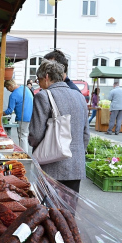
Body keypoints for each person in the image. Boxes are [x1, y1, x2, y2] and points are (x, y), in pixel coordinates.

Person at [29, 59, 90, 193]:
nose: (38, 83)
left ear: (46, 77)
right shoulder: (79, 96)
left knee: (50, 208)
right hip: (76, 164)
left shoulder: (43, 96)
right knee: (69, 209)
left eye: (38, 79)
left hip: (51, 163)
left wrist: (33, 145)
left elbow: (36, 134)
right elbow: (86, 133)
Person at [3, 79, 33, 153]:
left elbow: (9, 111)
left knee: (22, 137)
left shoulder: (13, 95)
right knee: (25, 135)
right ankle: (24, 153)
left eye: (7, 88)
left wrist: (0, 113)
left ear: (10, 86)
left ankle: (24, 154)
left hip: (22, 118)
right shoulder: (25, 88)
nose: (8, 90)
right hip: (31, 115)